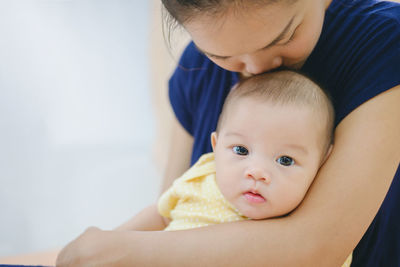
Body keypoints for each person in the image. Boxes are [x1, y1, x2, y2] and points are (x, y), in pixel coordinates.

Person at [56, 0, 400, 266]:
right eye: (223, 55)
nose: (256, 69)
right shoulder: (196, 68)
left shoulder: (384, 45)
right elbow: (173, 207)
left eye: (285, 37)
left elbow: (315, 246)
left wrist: (121, 251)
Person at [158, 70, 335, 231]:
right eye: (241, 150)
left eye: (285, 160)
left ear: (322, 163)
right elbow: (159, 219)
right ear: (216, 146)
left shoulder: (310, 225)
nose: (257, 172)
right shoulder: (200, 180)